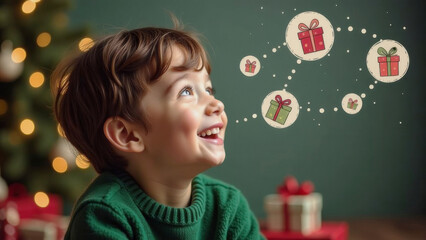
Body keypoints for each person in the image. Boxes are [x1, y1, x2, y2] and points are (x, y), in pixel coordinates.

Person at [51, 22, 265, 240]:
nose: (216, 103)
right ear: (127, 135)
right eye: (186, 91)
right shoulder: (103, 215)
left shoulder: (228, 207)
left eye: (209, 89)